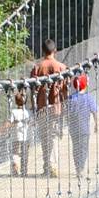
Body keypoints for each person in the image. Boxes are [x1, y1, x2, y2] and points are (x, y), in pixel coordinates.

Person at [29, 40, 68, 178]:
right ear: (55, 50)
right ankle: (53, 166)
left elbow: (33, 90)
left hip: (41, 108)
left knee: (44, 138)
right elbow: (65, 89)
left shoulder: (36, 68)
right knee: (54, 137)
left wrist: (33, 108)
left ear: (43, 51)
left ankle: (47, 166)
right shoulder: (62, 67)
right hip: (56, 107)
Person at [66, 73, 99, 179]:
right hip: (85, 129)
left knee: (75, 148)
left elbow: (67, 113)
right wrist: (96, 124)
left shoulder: (71, 98)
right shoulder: (89, 98)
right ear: (85, 85)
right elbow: (94, 112)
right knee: (83, 149)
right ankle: (81, 168)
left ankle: (77, 168)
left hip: (74, 129)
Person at [9, 88, 30, 177]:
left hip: (16, 136)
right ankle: (24, 171)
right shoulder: (27, 112)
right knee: (25, 154)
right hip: (25, 136)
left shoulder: (13, 111)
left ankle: (15, 169)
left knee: (15, 153)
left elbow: (10, 122)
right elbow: (31, 122)